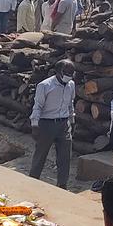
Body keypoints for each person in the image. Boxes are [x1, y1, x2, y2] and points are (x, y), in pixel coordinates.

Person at [29, 60, 76, 188]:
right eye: (67, 72)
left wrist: (72, 120)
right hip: (47, 124)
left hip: (64, 124)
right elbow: (37, 106)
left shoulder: (71, 85)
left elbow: (70, 104)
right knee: (41, 155)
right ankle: (32, 181)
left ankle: (62, 185)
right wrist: (34, 125)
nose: (69, 75)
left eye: (72, 73)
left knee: (65, 157)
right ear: (58, 71)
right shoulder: (45, 85)